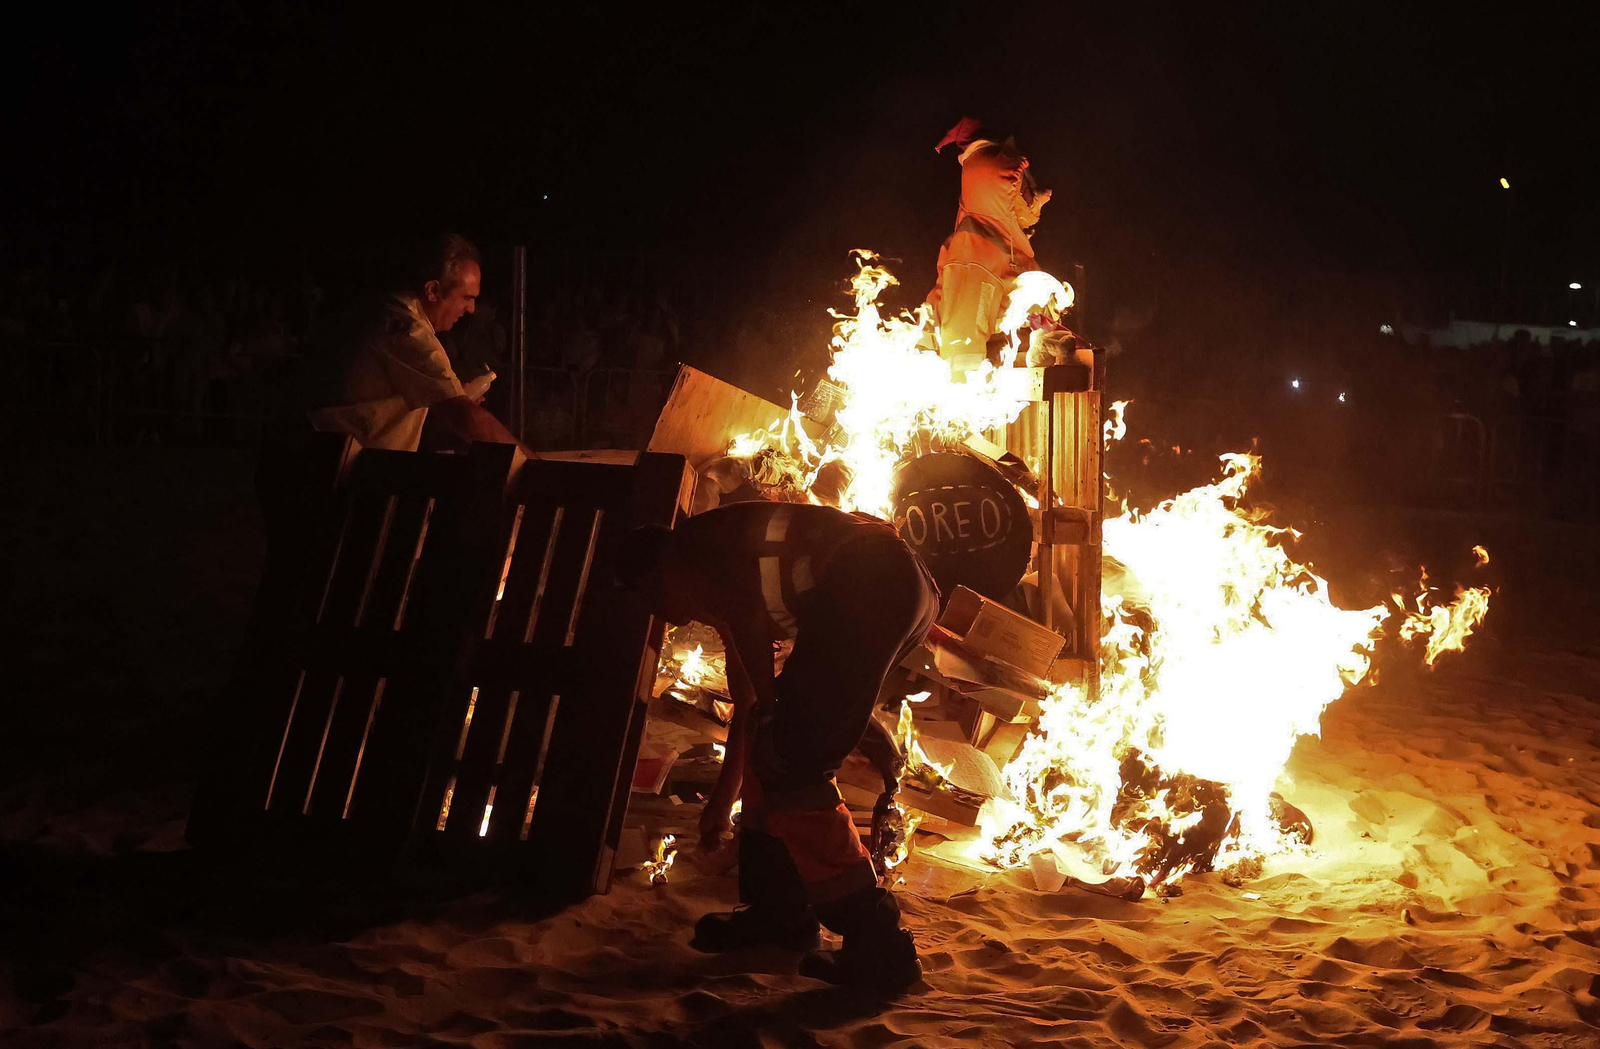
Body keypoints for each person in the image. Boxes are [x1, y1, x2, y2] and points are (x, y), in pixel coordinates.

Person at [616, 501, 939, 995]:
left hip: (873, 581)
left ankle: (880, 948)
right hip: (897, 586)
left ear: (657, 571)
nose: (656, 614)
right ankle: (779, 915)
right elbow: (747, 700)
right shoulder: (714, 566)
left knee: (794, 766)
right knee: (779, 751)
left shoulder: (691, 554)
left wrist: (774, 713)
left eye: (646, 597)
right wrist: (722, 802)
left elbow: (750, 635)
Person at [307, 234, 527, 452]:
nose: (471, 309)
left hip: (347, 460)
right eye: (466, 297)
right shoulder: (407, 331)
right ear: (432, 290)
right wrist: (531, 465)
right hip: (343, 468)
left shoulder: (389, 313)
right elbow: (467, 418)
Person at [923, 118, 1052, 378]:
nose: (1031, 195)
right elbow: (963, 354)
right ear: (1007, 184)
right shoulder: (974, 256)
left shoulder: (1004, 245)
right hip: (973, 397)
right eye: (1025, 188)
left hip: (1007, 387)